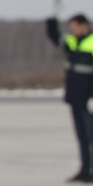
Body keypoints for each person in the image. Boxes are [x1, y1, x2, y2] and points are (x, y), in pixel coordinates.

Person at [47, 10, 93, 181]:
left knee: (91, 137)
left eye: (74, 27)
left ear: (84, 26)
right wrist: (51, 22)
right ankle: (85, 170)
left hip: (89, 98)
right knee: (82, 138)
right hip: (76, 98)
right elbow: (56, 39)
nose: (72, 30)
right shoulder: (73, 42)